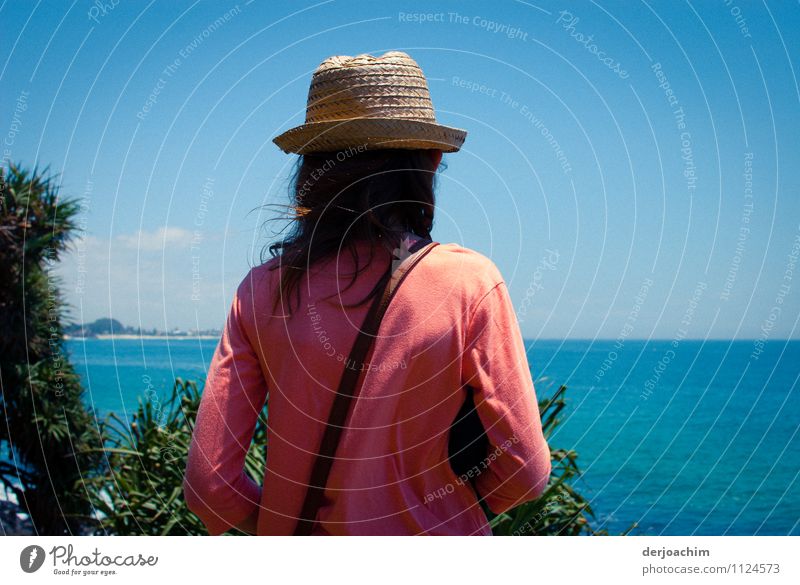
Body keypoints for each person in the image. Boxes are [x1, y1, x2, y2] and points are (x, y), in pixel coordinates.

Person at [182, 51, 551, 535]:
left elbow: (210, 485)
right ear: (431, 159)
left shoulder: (261, 291)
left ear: (311, 169)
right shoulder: (468, 284)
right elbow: (525, 473)